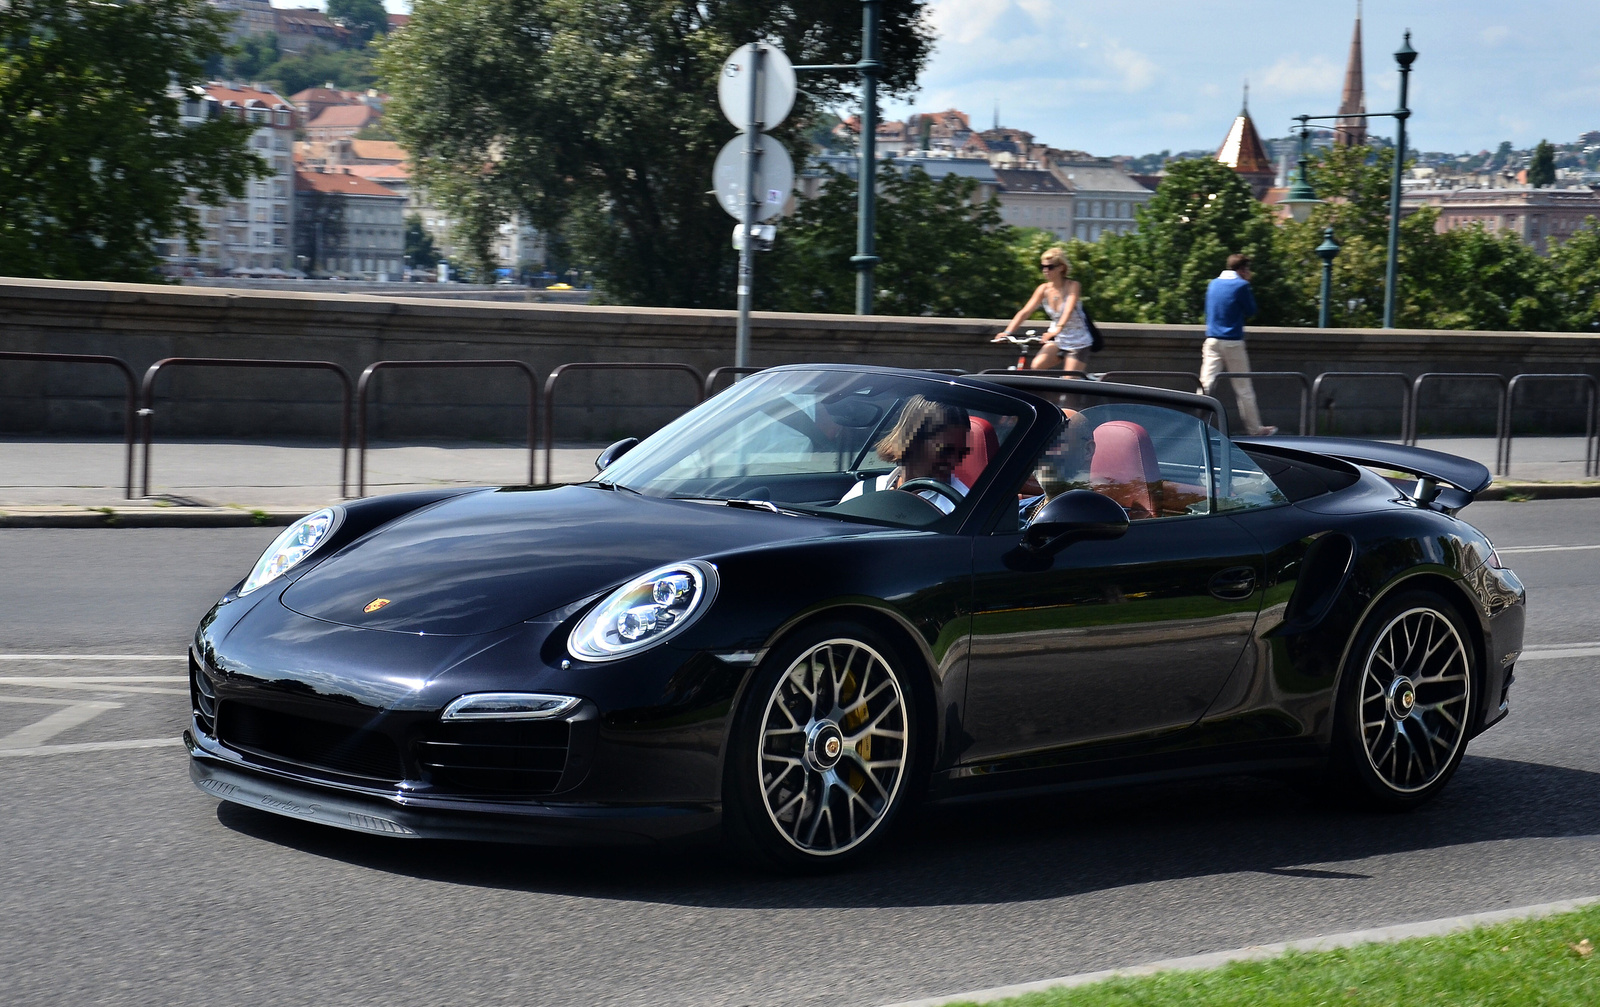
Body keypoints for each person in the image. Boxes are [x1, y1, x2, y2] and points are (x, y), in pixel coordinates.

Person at [840, 395, 972, 514]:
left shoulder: (960, 506)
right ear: (912, 442)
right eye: (945, 451)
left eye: (961, 453)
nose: (954, 461)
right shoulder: (864, 491)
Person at [1202, 253, 1277, 436]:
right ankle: (1255, 430)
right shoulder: (1241, 285)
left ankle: (1194, 423)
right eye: (1248, 269)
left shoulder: (1213, 284)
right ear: (1242, 269)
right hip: (1233, 342)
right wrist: (1247, 284)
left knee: (1205, 385)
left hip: (1212, 341)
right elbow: (1251, 310)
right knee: (1243, 389)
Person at [994, 247, 1093, 373]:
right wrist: (1007, 332)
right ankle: (1049, 392)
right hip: (1058, 339)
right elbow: (1025, 312)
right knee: (1037, 366)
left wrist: (1056, 330)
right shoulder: (1043, 289)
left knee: (1070, 380)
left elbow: (1068, 310)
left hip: (1078, 340)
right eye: (1043, 267)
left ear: (1061, 268)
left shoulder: (1072, 286)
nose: (1046, 270)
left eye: (1050, 267)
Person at [1020, 409, 1096, 523]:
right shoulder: (1015, 511)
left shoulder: (1102, 519)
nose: (1043, 453)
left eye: (1055, 443)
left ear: (1087, 450)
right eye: (1037, 444)